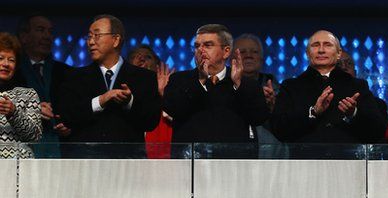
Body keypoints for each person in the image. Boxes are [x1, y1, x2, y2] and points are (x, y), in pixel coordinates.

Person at [58, 14, 161, 157]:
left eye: (97, 35)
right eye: (89, 37)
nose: (91, 42)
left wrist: (129, 102)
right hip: (86, 162)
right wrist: (100, 101)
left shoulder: (144, 77)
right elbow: (67, 115)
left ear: (116, 40)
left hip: (128, 164)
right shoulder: (74, 76)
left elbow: (151, 121)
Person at [163, 24, 268, 157]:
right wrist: (200, 82)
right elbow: (172, 108)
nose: (200, 50)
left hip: (233, 164)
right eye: (196, 46)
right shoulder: (179, 80)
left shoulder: (245, 82)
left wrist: (238, 85)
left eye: (208, 45)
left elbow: (259, 117)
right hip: (191, 165)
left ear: (226, 51)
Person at [271, 30, 386, 144]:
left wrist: (353, 113)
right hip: (305, 159)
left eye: (327, 45)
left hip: (347, 160)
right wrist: (313, 112)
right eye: (315, 45)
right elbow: (278, 130)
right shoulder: (291, 86)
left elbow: (377, 132)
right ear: (307, 53)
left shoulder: (357, 86)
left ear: (338, 53)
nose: (321, 50)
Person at [16, 14, 71, 157]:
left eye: (50, 32)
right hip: (21, 149)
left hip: (61, 147)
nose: (47, 36)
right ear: (24, 37)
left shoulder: (66, 72)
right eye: (40, 30)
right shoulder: (12, 71)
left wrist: (68, 124)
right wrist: (33, 108)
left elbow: (73, 108)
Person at [127, 44, 174, 158]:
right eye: (135, 56)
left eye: (148, 57)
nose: (141, 59)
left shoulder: (170, 93)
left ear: (157, 67)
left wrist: (164, 95)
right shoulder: (120, 96)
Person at [0, 32, 42, 158]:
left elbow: (35, 136)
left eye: (11, 60)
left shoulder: (28, 94)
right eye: (0, 58)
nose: (6, 64)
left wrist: (14, 113)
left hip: (19, 170)